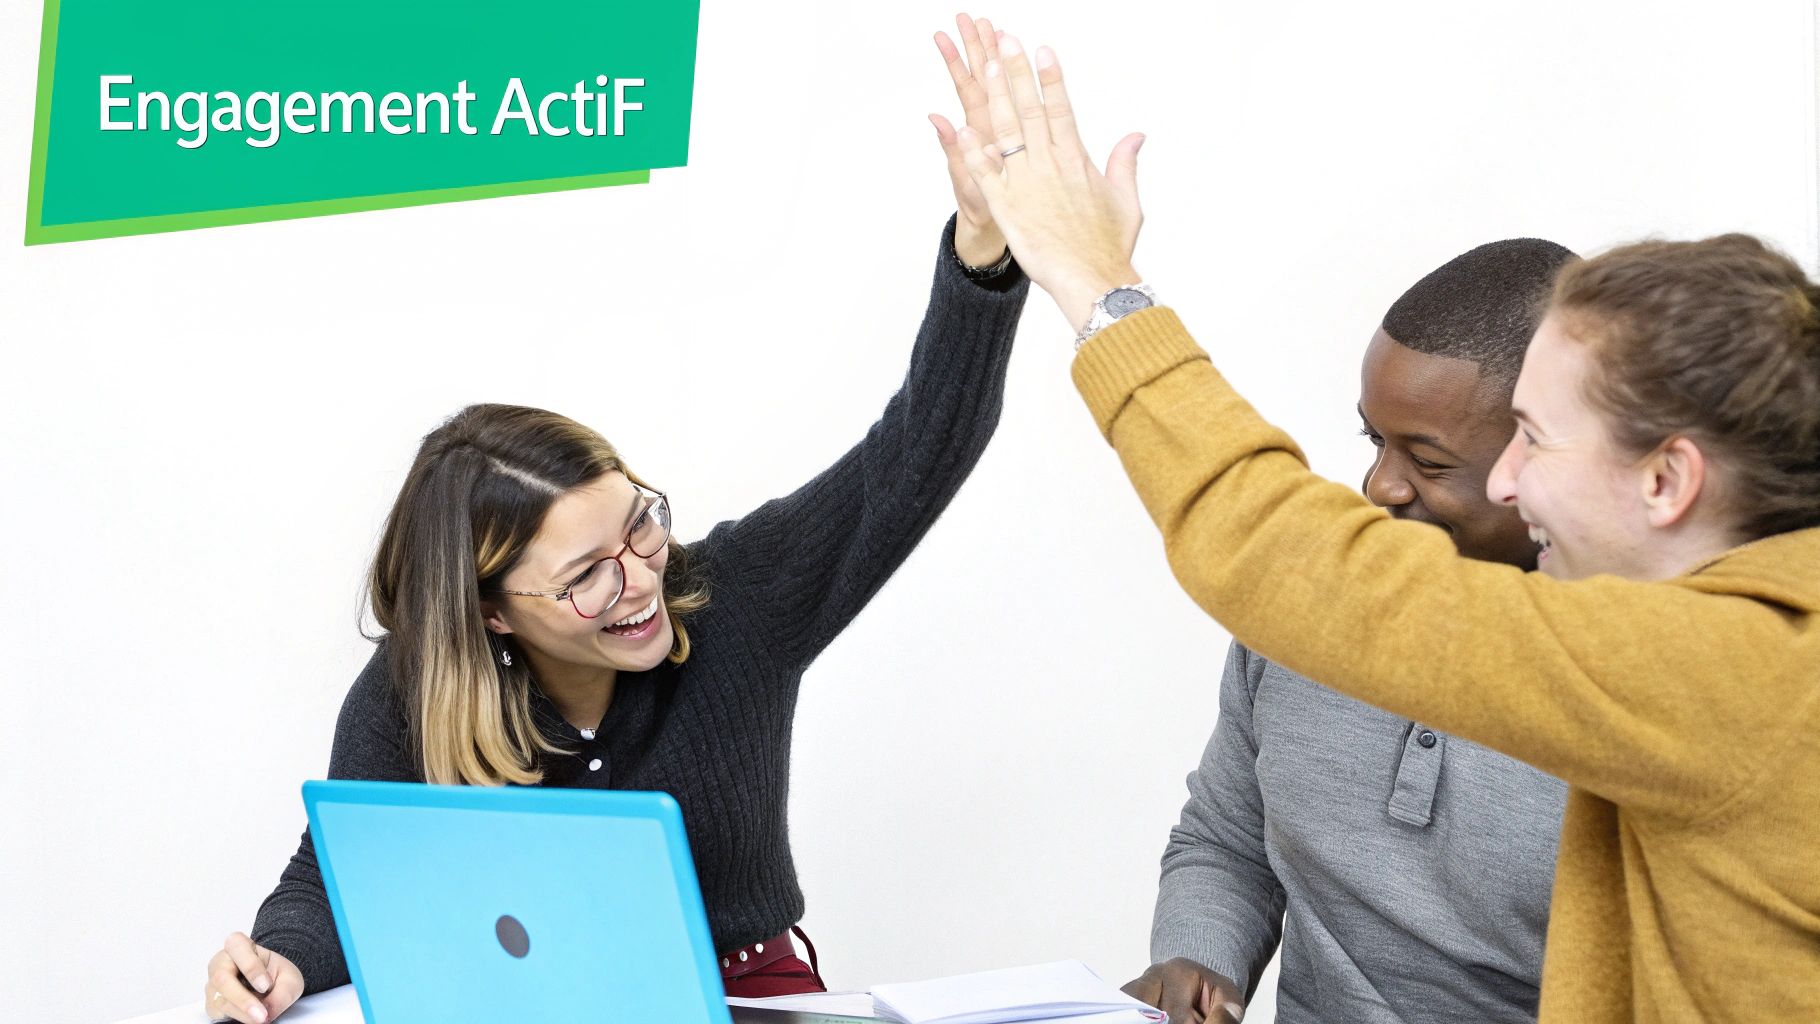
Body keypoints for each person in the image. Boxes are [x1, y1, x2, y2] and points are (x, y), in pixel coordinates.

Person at [945, 27, 1820, 1022]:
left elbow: (1289, 556)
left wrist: (1096, 285)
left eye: (1531, 437)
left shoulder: (1730, 670)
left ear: (1667, 479)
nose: (1506, 484)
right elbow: (1231, 819)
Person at [198, 24, 1028, 1024]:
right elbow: (335, 872)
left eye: (640, 528)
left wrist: (982, 259)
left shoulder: (735, 595)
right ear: (492, 614)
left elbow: (915, 454)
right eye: (585, 573)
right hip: (532, 1004)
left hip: (747, 999)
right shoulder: (414, 687)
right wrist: (279, 957)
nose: (638, 579)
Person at [1125, 240, 1574, 1024]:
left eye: (1428, 462)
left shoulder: (1637, 675)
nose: (1380, 487)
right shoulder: (1306, 610)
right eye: (1375, 441)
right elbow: (1229, 841)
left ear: (1549, 455)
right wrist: (1196, 963)